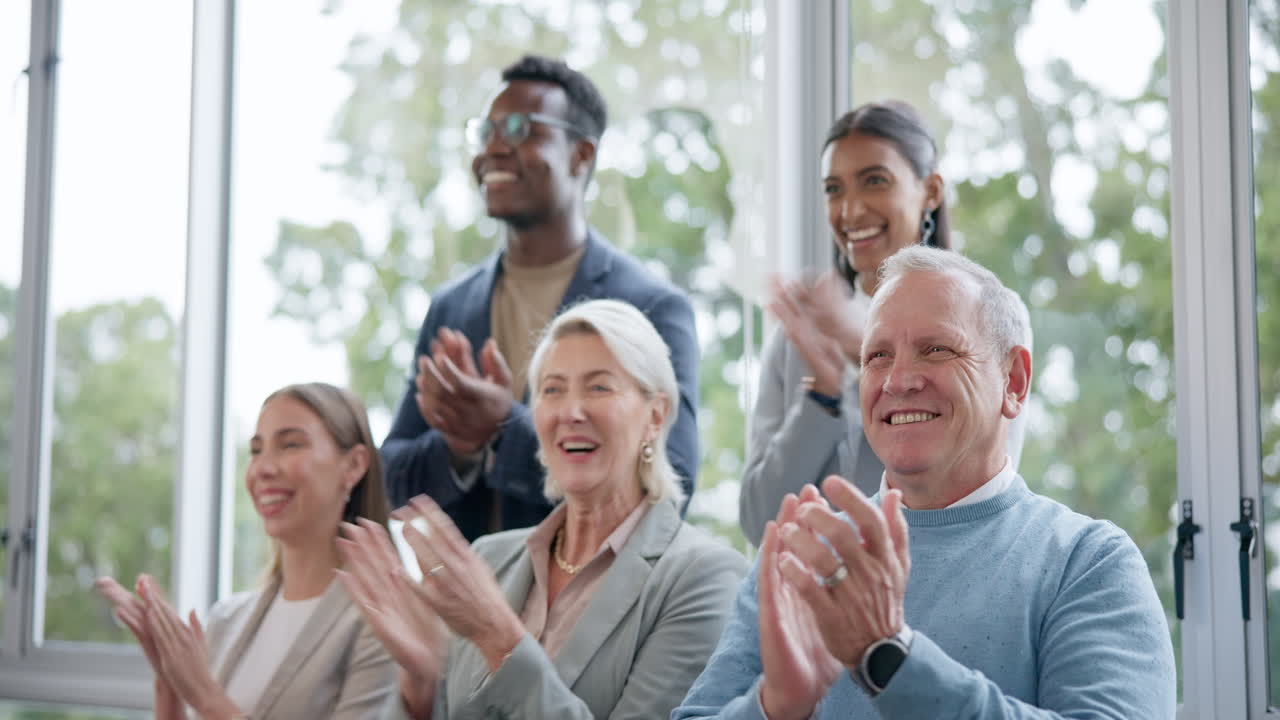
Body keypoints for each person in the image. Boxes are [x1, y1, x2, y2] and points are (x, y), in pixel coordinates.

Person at [675, 246, 1176, 719]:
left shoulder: (1087, 562)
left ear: (1014, 382)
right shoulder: (801, 555)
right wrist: (774, 704)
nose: (899, 380)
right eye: (877, 357)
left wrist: (890, 656)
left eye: (936, 349)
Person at [341, 299, 745, 719]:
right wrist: (422, 690)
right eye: (552, 390)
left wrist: (500, 638)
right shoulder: (488, 558)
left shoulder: (706, 578)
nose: (570, 412)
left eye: (599, 387)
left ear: (656, 416)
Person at [382, 54, 700, 542]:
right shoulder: (451, 307)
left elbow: (673, 480)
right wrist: (459, 449)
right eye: (485, 131)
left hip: (597, 603)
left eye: (518, 128)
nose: (492, 149)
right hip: (462, 605)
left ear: (582, 155)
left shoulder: (652, 307)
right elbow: (391, 480)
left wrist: (502, 426)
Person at [739, 101, 1025, 546]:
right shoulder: (799, 337)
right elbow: (760, 522)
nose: (850, 211)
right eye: (834, 189)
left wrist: (862, 349)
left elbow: (979, 484)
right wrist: (823, 396)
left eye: (875, 181)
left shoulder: (991, 315)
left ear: (930, 191)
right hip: (812, 599)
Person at [96, 383, 396, 720]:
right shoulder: (227, 620)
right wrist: (169, 684)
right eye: (256, 450)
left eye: (290, 444)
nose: (263, 469)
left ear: (354, 465)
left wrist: (206, 697)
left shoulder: (382, 626)